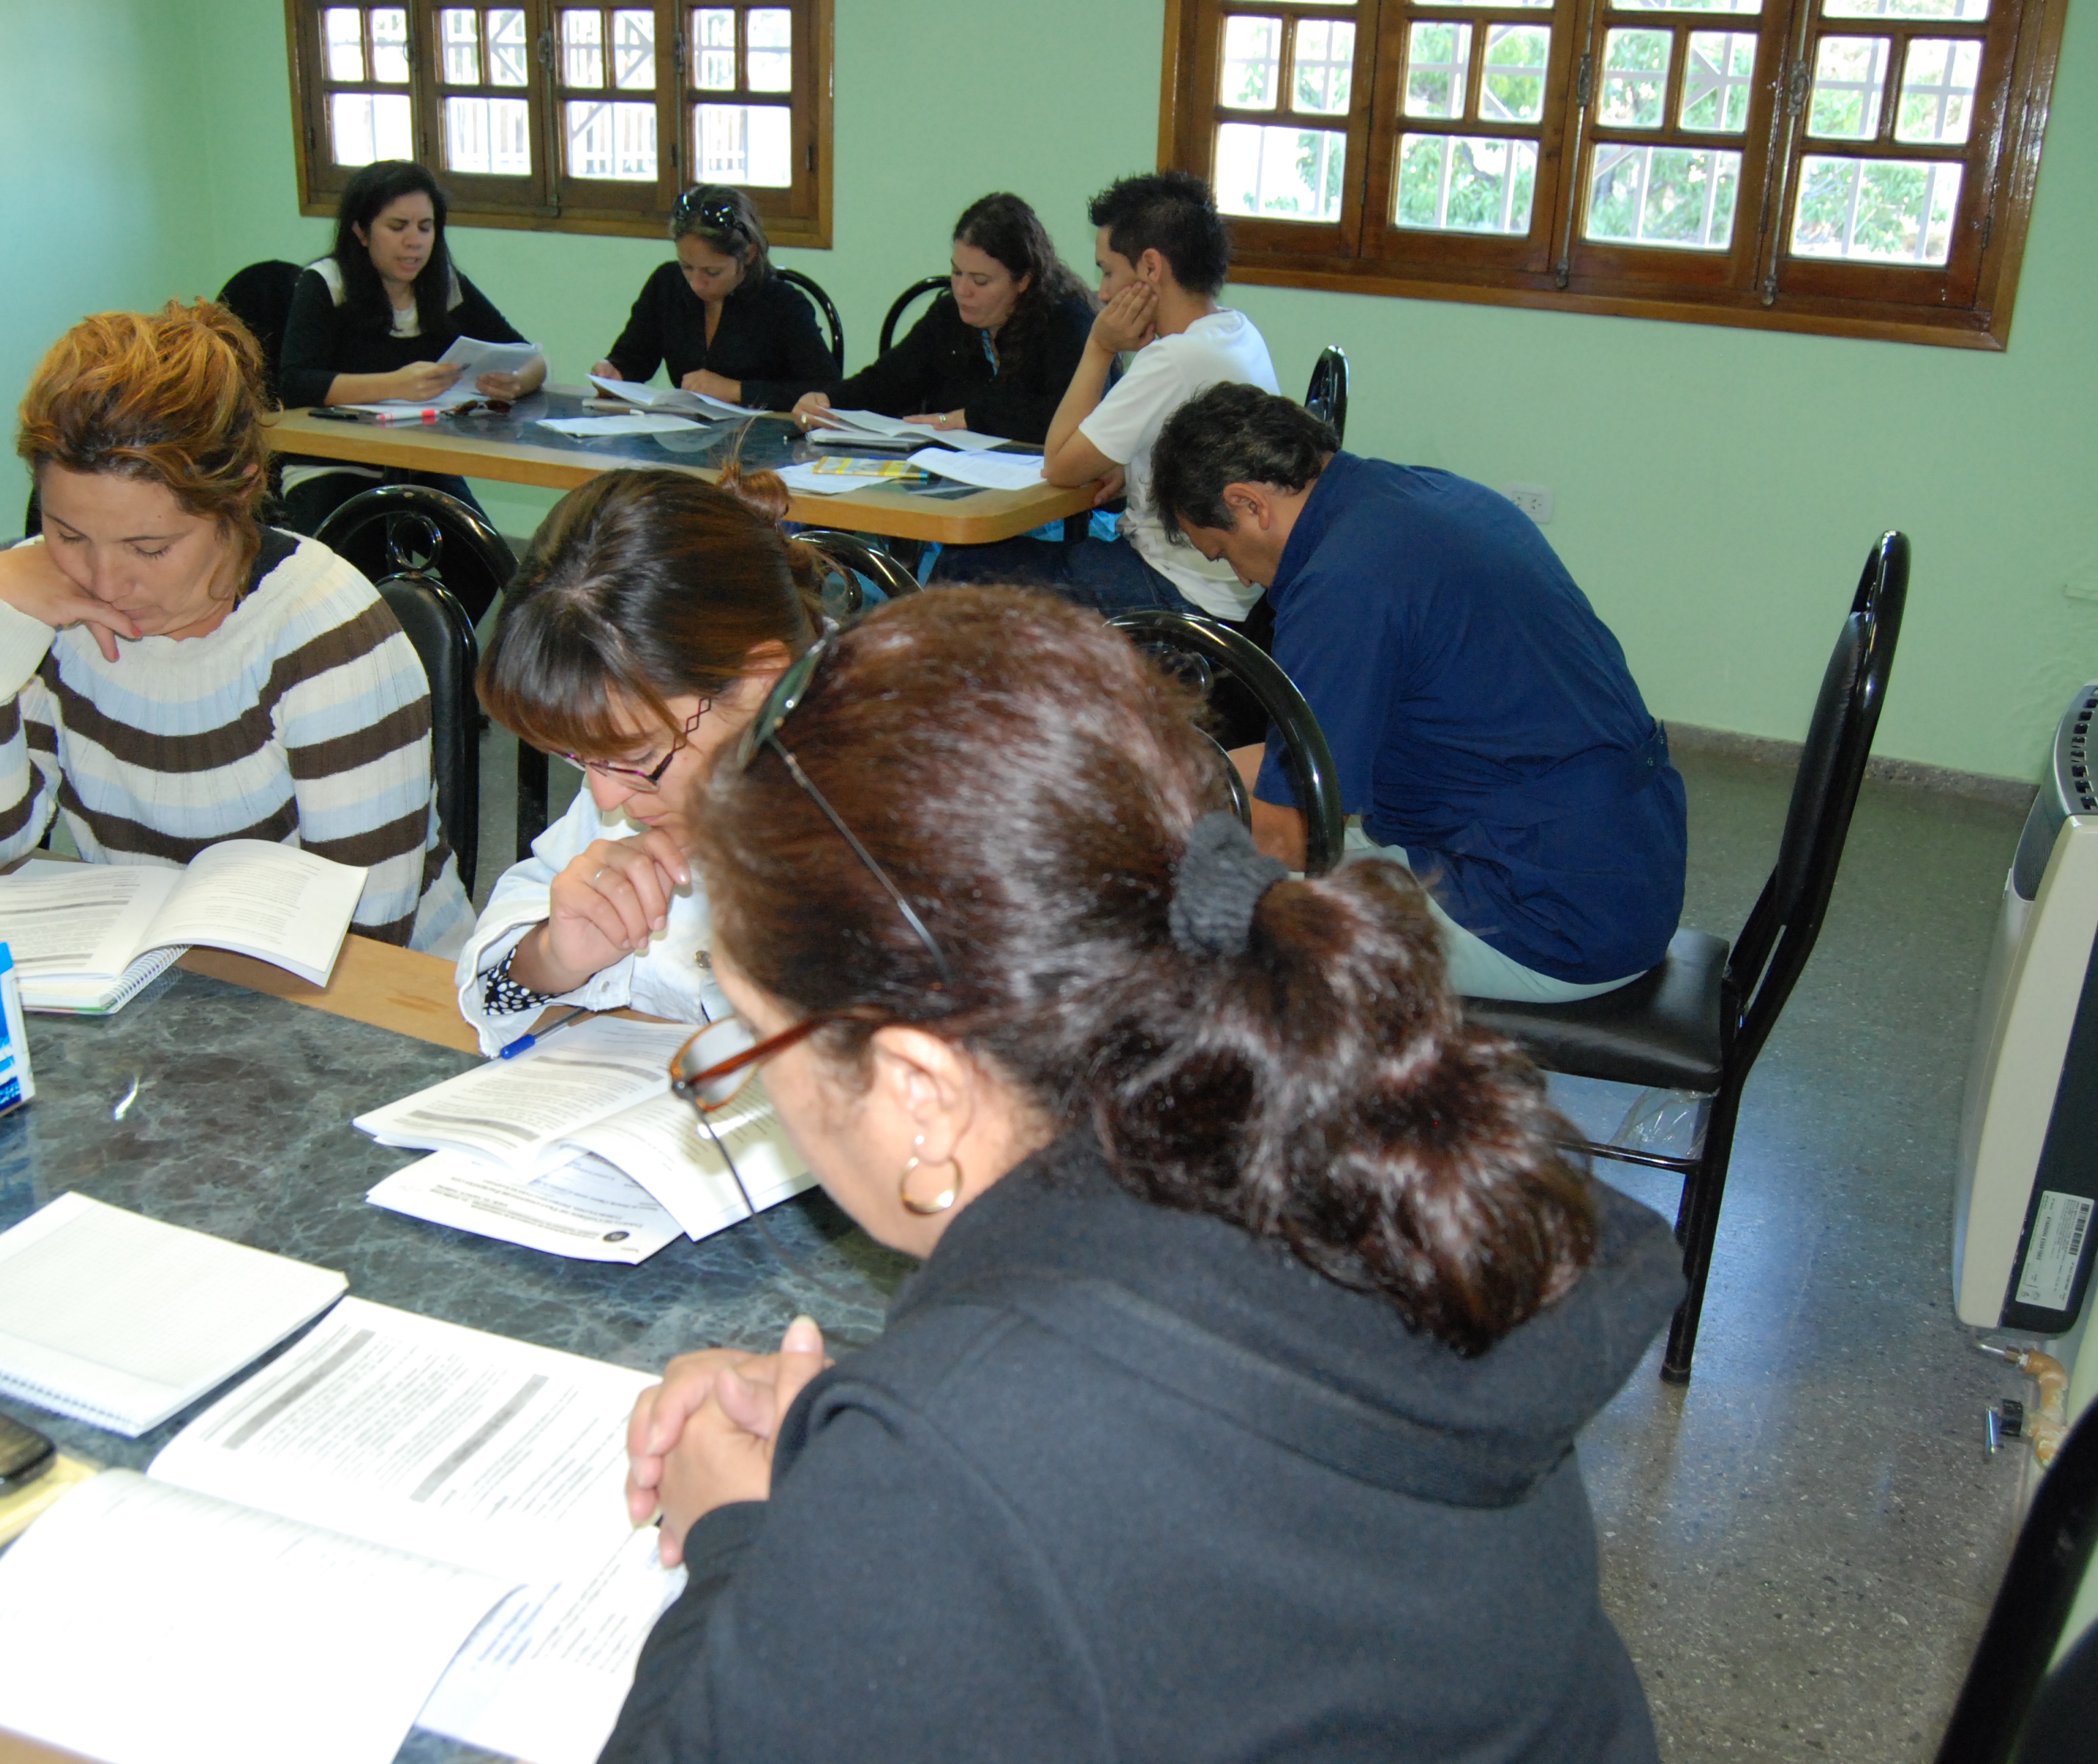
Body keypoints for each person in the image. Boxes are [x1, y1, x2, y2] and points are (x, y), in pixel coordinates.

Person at [601, 589, 1680, 1762]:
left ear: (920, 1086)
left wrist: (739, 1526)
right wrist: (856, 1462)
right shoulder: (1311, 1146)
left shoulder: (973, 1453)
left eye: (756, 1040)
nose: (762, 1092)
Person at [0, 303, 471, 953]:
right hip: (155, 974)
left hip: (369, 1000)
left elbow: (366, 936)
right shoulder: (49, 605)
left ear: (239, 493)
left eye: (149, 549)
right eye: (68, 533)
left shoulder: (325, 634)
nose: (104, 582)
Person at [1149, 383, 1688, 1002]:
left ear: (1247, 504)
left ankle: (1304, 1092)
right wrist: (1162, 775)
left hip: (1543, 917)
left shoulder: (1343, 585)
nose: (1242, 577)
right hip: (1615, 866)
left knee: (1190, 917)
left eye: (1222, 554)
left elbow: (1289, 835)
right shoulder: (1427, 499)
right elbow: (1290, 773)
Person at [457, 468, 818, 1053]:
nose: (607, 798)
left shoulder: (915, 817)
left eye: (639, 756)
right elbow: (507, 961)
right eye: (582, 759)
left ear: (761, 684)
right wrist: (552, 958)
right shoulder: (635, 755)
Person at [931, 170, 1277, 618]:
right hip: (1226, 592)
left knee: (961, 568)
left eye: (1109, 271)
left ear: (1151, 268)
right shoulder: (1234, 330)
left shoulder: (1173, 359)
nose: (1103, 292)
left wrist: (1099, 348)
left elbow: (1060, 466)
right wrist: (1131, 464)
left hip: (1174, 591)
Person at [274, 159, 547, 530]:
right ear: (361, 231)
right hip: (332, 462)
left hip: (419, 464)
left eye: (426, 227)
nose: (414, 241)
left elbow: (529, 357)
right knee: (356, 569)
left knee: (481, 566)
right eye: (397, 227)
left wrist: (518, 381)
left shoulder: (443, 285)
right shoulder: (326, 284)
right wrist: (396, 385)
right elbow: (296, 383)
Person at [787, 193, 1093, 443]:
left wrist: (970, 419)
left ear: (1024, 280)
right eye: (956, 272)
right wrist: (827, 402)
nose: (961, 290)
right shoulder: (949, 316)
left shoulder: (1067, 322)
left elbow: (1068, 421)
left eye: (981, 281)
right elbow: (889, 381)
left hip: (1054, 496)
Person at [592, 186, 835, 412]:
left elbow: (827, 390)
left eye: (712, 272)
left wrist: (736, 391)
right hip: (688, 435)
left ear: (748, 255)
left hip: (762, 440)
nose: (696, 283)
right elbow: (635, 356)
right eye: (687, 266)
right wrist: (614, 372)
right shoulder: (667, 284)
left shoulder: (783, 305)